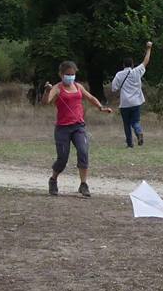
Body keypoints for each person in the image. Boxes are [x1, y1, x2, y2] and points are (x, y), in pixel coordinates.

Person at [42, 61, 113, 197]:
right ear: (61, 74)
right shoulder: (57, 88)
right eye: (67, 74)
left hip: (78, 127)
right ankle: (53, 180)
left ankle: (83, 184)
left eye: (73, 74)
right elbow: (46, 102)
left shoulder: (78, 86)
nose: (70, 77)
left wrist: (101, 107)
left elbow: (90, 97)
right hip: (62, 128)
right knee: (62, 158)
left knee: (83, 152)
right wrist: (47, 91)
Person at [110, 41, 153, 148]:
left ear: (123, 65)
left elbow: (114, 88)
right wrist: (149, 48)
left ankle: (130, 144)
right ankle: (139, 132)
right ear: (133, 64)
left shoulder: (119, 74)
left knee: (126, 124)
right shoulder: (136, 71)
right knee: (135, 122)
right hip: (136, 102)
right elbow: (146, 61)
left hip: (125, 103)